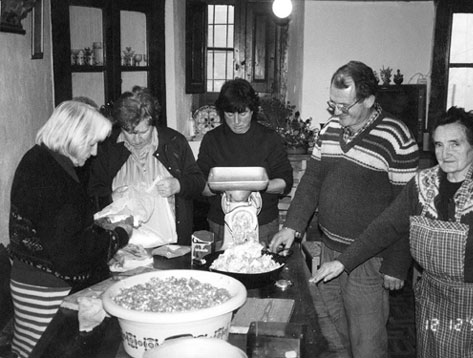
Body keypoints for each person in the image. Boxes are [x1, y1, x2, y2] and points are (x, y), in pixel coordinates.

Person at [310, 106, 473, 357]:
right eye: (438, 145)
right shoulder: (423, 183)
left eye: (454, 144)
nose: (445, 153)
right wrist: (342, 263)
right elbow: (386, 226)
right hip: (435, 300)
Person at [270, 60, 419, 358]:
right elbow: (311, 180)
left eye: (345, 107)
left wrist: (396, 263)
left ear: (369, 100)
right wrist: (292, 225)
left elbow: (406, 209)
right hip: (328, 250)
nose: (337, 113)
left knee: (367, 342)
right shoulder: (329, 130)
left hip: (369, 258)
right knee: (334, 333)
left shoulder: (396, 137)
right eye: (332, 105)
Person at [7, 101, 133, 358]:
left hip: (35, 281)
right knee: (46, 352)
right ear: (73, 137)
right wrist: (119, 235)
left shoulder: (45, 160)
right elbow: (73, 252)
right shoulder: (48, 174)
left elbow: (65, 222)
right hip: (45, 289)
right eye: (91, 143)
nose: (95, 151)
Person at [89, 86, 205, 246]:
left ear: (152, 123)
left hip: (169, 243)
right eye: (129, 132)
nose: (136, 140)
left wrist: (178, 185)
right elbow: (91, 195)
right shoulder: (108, 149)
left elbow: (198, 182)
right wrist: (110, 197)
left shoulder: (174, 143)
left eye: (143, 132)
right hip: (123, 244)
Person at [197, 78, 293, 249]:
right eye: (229, 114)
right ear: (221, 112)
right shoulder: (212, 140)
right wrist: (222, 186)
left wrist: (255, 185)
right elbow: (200, 186)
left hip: (262, 223)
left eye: (243, 114)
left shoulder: (269, 139)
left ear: (253, 111)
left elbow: (285, 182)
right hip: (221, 222)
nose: (236, 122)